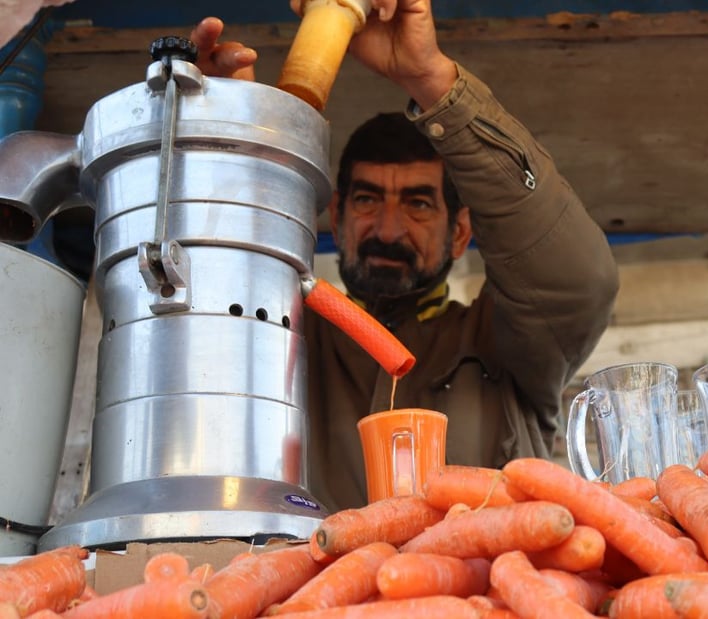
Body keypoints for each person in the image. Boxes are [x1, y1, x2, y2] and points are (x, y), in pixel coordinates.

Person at [192, 2, 619, 511]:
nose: (389, 229)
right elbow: (192, 294)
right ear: (336, 215)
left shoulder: (504, 344)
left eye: (418, 203)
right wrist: (217, 145)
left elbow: (579, 280)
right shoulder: (281, 337)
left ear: (461, 233)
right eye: (368, 200)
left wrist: (431, 78)